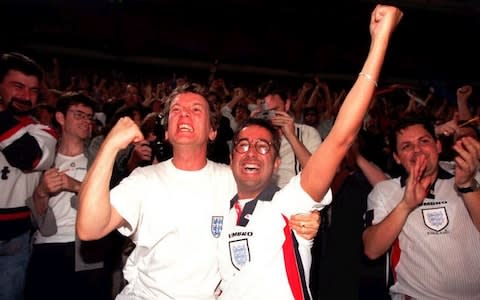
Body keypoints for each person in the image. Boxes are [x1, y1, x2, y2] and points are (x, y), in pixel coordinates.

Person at [217, 5, 403, 299]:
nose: (251, 151)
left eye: (263, 146)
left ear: (277, 162)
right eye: (243, 144)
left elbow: (342, 137)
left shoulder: (287, 204)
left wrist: (379, 41)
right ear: (230, 158)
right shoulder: (213, 208)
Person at [77, 84, 318, 299]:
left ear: (212, 131)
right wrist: (110, 146)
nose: (184, 114)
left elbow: (301, 192)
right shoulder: (143, 180)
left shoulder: (233, 179)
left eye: (195, 110)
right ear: (167, 132)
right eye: (176, 110)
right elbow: (89, 228)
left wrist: (305, 218)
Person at [362, 116, 480, 299]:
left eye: (424, 141)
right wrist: (405, 205)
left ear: (438, 146)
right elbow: (371, 249)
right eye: (406, 146)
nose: (417, 150)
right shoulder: (385, 191)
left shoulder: (470, 175)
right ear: (397, 158)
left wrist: (467, 186)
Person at [25, 92, 111, 300]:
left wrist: (76, 186)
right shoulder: (41, 159)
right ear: (60, 118)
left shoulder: (98, 159)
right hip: (47, 245)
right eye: (79, 115)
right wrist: (42, 192)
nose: (86, 121)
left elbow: (109, 202)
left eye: (89, 117)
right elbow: (34, 216)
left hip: (86, 249)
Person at [0, 52, 57, 300]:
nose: (26, 96)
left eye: (33, 90)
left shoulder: (42, 130)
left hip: (14, 238)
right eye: (17, 86)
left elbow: (26, 156)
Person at [256, 79, 322, 188]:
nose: (271, 117)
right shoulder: (256, 134)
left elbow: (317, 174)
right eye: (265, 113)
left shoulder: (308, 133)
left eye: (275, 110)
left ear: (286, 104)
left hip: (296, 197)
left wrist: (291, 136)